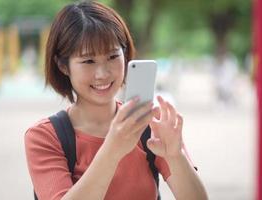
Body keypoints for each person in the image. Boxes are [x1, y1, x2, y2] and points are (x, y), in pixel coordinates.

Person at [24, 2, 208, 200]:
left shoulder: (149, 125)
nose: (102, 74)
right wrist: (112, 150)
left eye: (112, 56)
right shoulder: (44, 137)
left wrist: (175, 155)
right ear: (63, 65)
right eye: (88, 61)